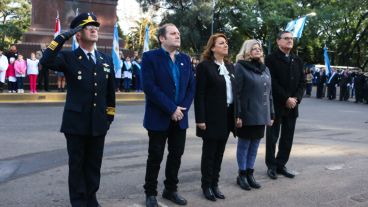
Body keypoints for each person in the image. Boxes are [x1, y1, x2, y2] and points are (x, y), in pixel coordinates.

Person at [40, 12, 115, 207]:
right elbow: (46, 61)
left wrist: (108, 118)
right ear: (78, 34)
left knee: (94, 164)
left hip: (98, 123)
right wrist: (63, 36)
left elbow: (110, 94)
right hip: (76, 124)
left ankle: (91, 198)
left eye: (95, 26)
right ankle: (79, 201)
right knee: (77, 165)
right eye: (88, 27)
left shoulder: (105, 59)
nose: (94, 29)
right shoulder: (69, 57)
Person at [142, 23, 195, 207]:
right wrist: (171, 108)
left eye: (178, 32)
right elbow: (149, 87)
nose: (178, 35)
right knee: (155, 156)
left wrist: (181, 110)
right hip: (159, 117)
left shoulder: (185, 59)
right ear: (162, 38)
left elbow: (191, 88)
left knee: (176, 155)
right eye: (173, 33)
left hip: (180, 118)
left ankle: (170, 189)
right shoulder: (150, 57)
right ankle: (150, 193)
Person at [194, 33, 235, 201]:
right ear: (212, 47)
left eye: (226, 43)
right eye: (221, 43)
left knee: (220, 152)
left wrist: (237, 115)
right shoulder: (204, 67)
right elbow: (200, 95)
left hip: (227, 116)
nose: (225, 45)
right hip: (211, 117)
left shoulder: (230, 67)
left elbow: (235, 94)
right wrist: (200, 119)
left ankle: (215, 184)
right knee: (209, 153)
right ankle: (206, 186)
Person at [265, 31, 306, 180]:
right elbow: (271, 82)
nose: (289, 41)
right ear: (278, 41)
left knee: (287, 137)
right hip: (276, 105)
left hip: (293, 106)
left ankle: (281, 164)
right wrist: (286, 98)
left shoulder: (297, 60)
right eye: (286, 38)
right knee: (272, 137)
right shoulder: (270, 59)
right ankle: (271, 166)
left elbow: (303, 82)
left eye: (291, 39)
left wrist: (295, 98)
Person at [234, 39, 274, 190]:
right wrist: (238, 114)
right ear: (247, 51)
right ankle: (242, 175)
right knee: (244, 145)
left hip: (262, 113)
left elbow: (269, 93)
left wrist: (271, 113)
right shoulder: (240, 67)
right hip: (246, 113)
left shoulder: (265, 69)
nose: (258, 50)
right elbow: (237, 93)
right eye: (254, 48)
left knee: (255, 145)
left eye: (259, 48)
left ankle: (250, 174)